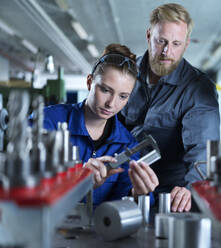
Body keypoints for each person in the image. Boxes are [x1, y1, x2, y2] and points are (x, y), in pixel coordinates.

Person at [120, 3, 220, 212]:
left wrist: (192, 188)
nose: (167, 51)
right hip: (122, 186)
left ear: (186, 44)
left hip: (171, 196)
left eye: (176, 43)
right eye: (161, 41)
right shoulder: (124, 74)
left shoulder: (198, 89)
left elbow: (203, 149)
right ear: (149, 36)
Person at [41, 44, 159, 206]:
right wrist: (75, 181)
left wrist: (139, 193)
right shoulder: (48, 121)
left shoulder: (127, 144)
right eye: (105, 90)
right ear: (89, 82)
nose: (111, 103)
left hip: (101, 229)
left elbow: (124, 199)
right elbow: (19, 183)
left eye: (123, 96)